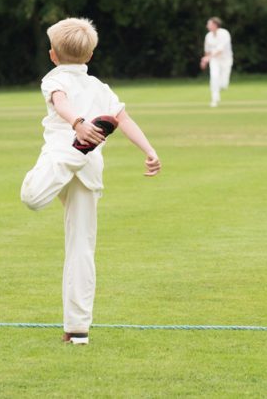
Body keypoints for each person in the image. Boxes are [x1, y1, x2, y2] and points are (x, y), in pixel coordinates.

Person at [20, 17, 161, 345]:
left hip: (63, 152)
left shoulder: (53, 77)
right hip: (90, 163)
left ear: (53, 55)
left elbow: (61, 102)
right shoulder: (101, 88)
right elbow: (124, 120)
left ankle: (74, 153)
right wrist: (149, 151)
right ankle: (78, 331)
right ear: (90, 57)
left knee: (31, 196)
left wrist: (79, 125)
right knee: (81, 247)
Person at [200, 17, 233, 107]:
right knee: (214, 77)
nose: (207, 26)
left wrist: (207, 58)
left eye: (209, 24)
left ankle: (218, 88)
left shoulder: (224, 33)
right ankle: (215, 99)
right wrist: (205, 60)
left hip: (226, 60)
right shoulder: (208, 36)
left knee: (224, 84)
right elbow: (207, 50)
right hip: (214, 60)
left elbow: (220, 49)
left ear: (215, 25)